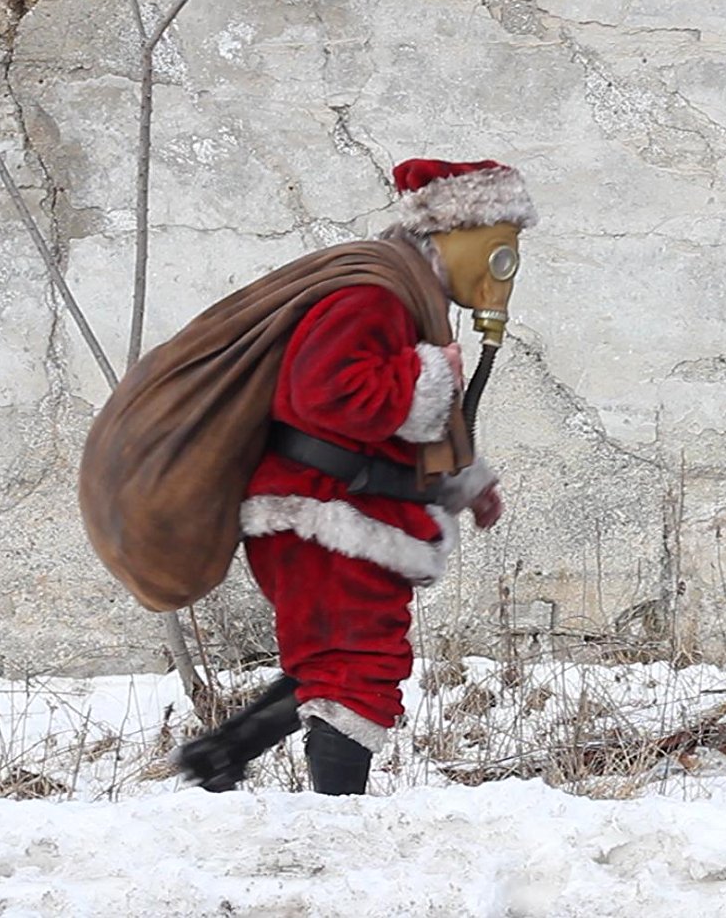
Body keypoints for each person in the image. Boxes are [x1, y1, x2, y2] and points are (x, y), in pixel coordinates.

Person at [173, 158, 537, 794]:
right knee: (358, 665)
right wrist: (429, 375)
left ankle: (222, 755)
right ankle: (335, 827)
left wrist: (465, 480)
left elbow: (400, 420)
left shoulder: (410, 299)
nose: (505, 265)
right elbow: (324, 395)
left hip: (346, 513)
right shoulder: (371, 293)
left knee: (337, 658)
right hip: (321, 515)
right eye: (500, 244)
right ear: (458, 232)